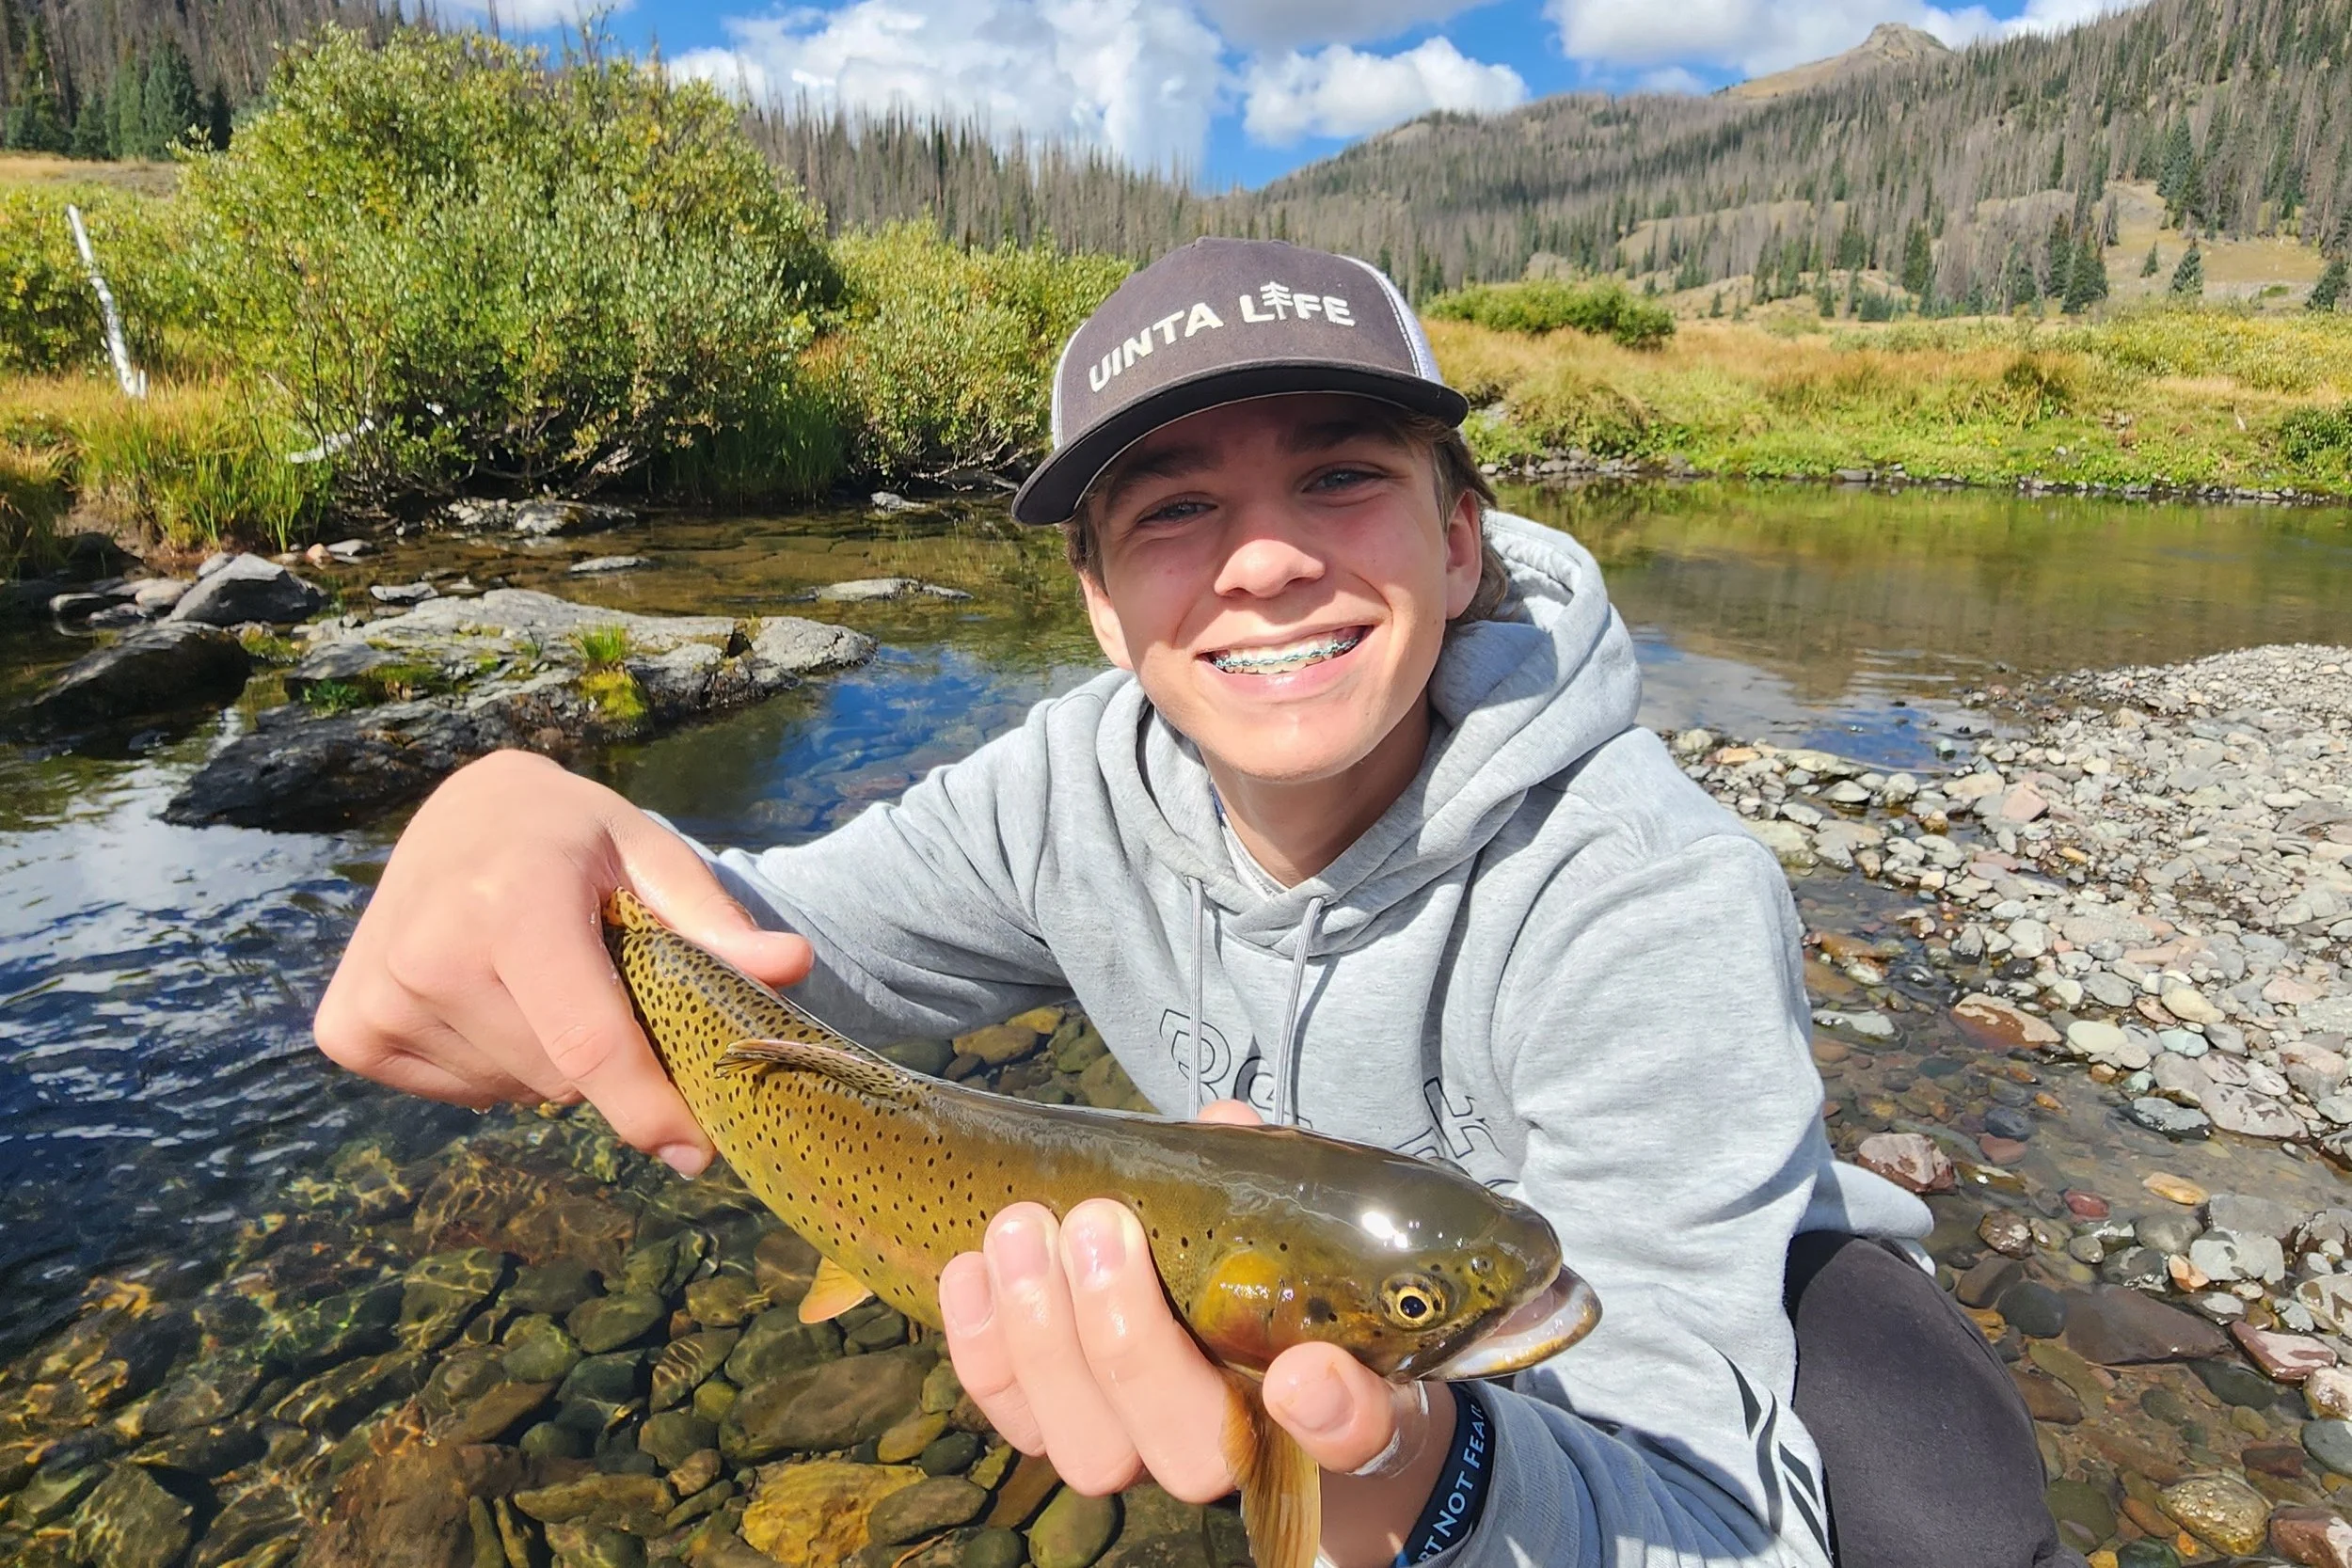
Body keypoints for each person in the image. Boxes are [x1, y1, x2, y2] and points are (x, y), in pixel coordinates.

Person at [316, 239, 2069, 1567]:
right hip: (1337, 1278)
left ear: (1463, 540)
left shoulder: (1650, 893)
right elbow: (761, 957)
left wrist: (1412, 1468)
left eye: (1340, 475)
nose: (1264, 558)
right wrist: (528, 830)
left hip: (1680, 1269)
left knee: (1942, 1508)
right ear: (1095, 606)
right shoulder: (1060, 788)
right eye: (1173, 509)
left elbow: (1703, 1509)